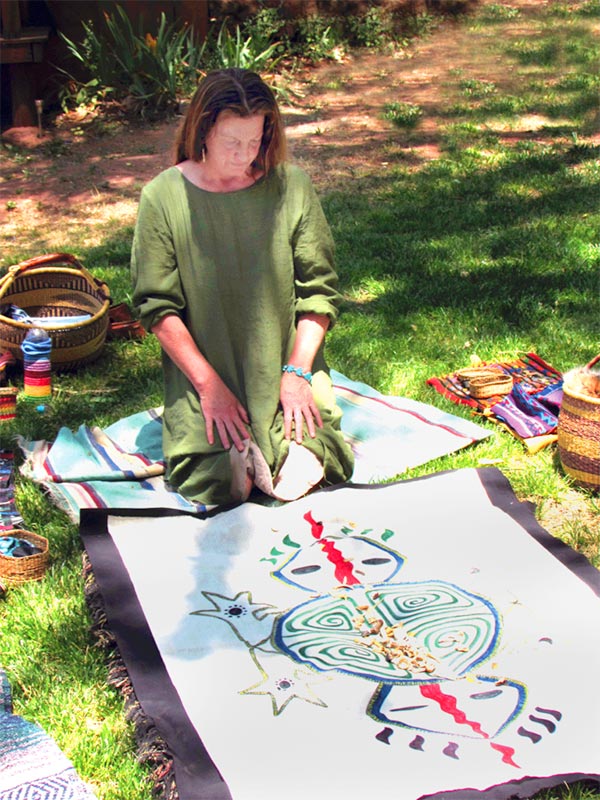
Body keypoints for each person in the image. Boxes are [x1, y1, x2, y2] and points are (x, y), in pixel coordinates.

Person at [131, 67, 354, 506]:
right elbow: (157, 308)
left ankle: (277, 444)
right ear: (203, 130)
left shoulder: (291, 187)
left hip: (283, 360)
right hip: (207, 368)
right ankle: (237, 451)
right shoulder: (162, 197)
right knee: (215, 479)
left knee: (318, 453)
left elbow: (319, 292)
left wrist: (297, 373)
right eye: (232, 142)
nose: (244, 155)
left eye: (255, 141)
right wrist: (209, 387)